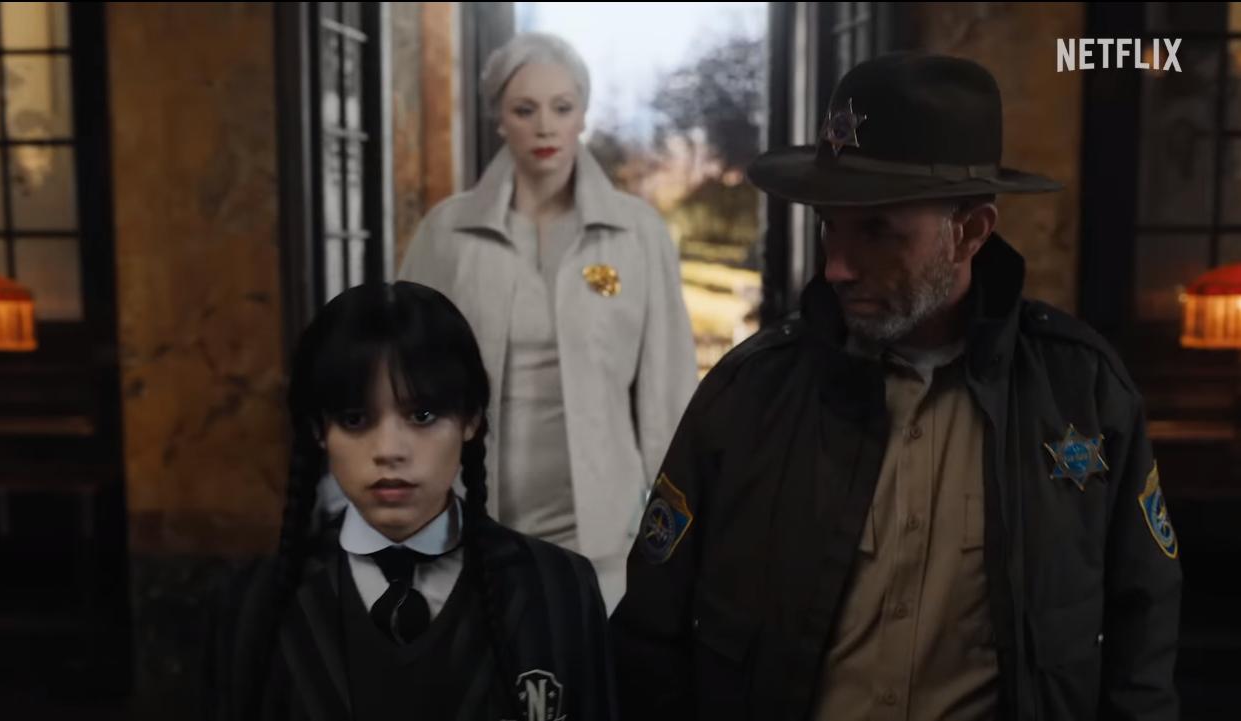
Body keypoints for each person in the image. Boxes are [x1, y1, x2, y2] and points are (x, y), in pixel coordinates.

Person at [610, 52, 1181, 721]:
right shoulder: (748, 395)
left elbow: (1143, 637)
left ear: (969, 232)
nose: (837, 267)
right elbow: (649, 636)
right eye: (830, 227)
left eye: (876, 231)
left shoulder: (1081, 394)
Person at [204, 282, 616, 721]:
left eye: (422, 416)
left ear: (471, 420)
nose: (389, 450)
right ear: (320, 431)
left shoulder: (557, 588)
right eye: (355, 419)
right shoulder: (255, 604)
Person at [400, 32, 698, 613]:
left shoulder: (638, 235)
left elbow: (668, 394)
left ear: (583, 115)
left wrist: (677, 531)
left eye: (562, 108)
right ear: (499, 119)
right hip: (471, 524)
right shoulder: (446, 234)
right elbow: (406, 381)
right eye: (524, 109)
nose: (545, 127)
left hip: (605, 536)